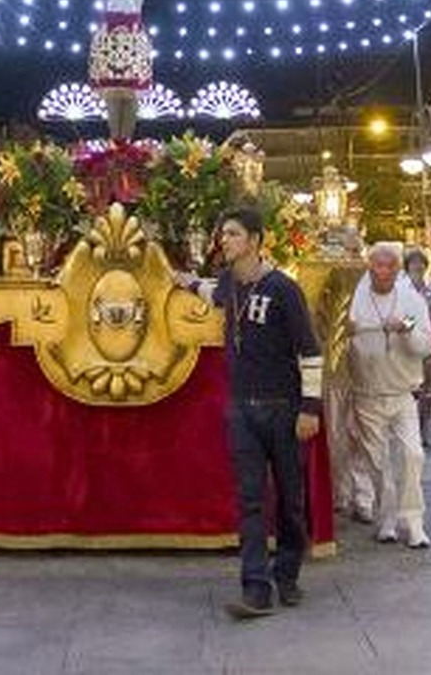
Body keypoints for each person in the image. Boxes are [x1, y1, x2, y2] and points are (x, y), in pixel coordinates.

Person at [181, 207, 322, 619]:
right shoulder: (228, 285)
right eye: (222, 234)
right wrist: (185, 282)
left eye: (233, 234)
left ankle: (289, 572)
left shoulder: (283, 289)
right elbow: (209, 292)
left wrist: (310, 408)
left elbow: (310, 352)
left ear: (256, 240)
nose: (224, 240)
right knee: (250, 501)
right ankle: (255, 586)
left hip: (284, 409)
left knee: (290, 501)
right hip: (241, 410)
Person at [2, 0, 220, 139]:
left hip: (133, 34)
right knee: (112, 93)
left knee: (132, 94)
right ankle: (116, 143)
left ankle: (126, 145)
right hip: (109, 34)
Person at [346, 242, 431, 547]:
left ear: (398, 269)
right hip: (367, 391)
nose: (383, 272)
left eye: (389, 267)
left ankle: (414, 522)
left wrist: (405, 328)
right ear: (369, 267)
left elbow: (427, 342)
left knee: (413, 454)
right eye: (377, 266)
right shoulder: (354, 298)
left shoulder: (411, 299)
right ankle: (387, 517)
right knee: (378, 462)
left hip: (401, 391)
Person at [404, 249, 431, 447]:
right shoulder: (401, 290)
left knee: (429, 389)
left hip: (429, 343)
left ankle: (425, 429)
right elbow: (402, 318)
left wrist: (430, 300)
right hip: (408, 345)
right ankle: (410, 431)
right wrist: (412, 322)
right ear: (408, 267)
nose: (418, 267)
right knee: (412, 389)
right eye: (414, 264)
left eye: (421, 264)